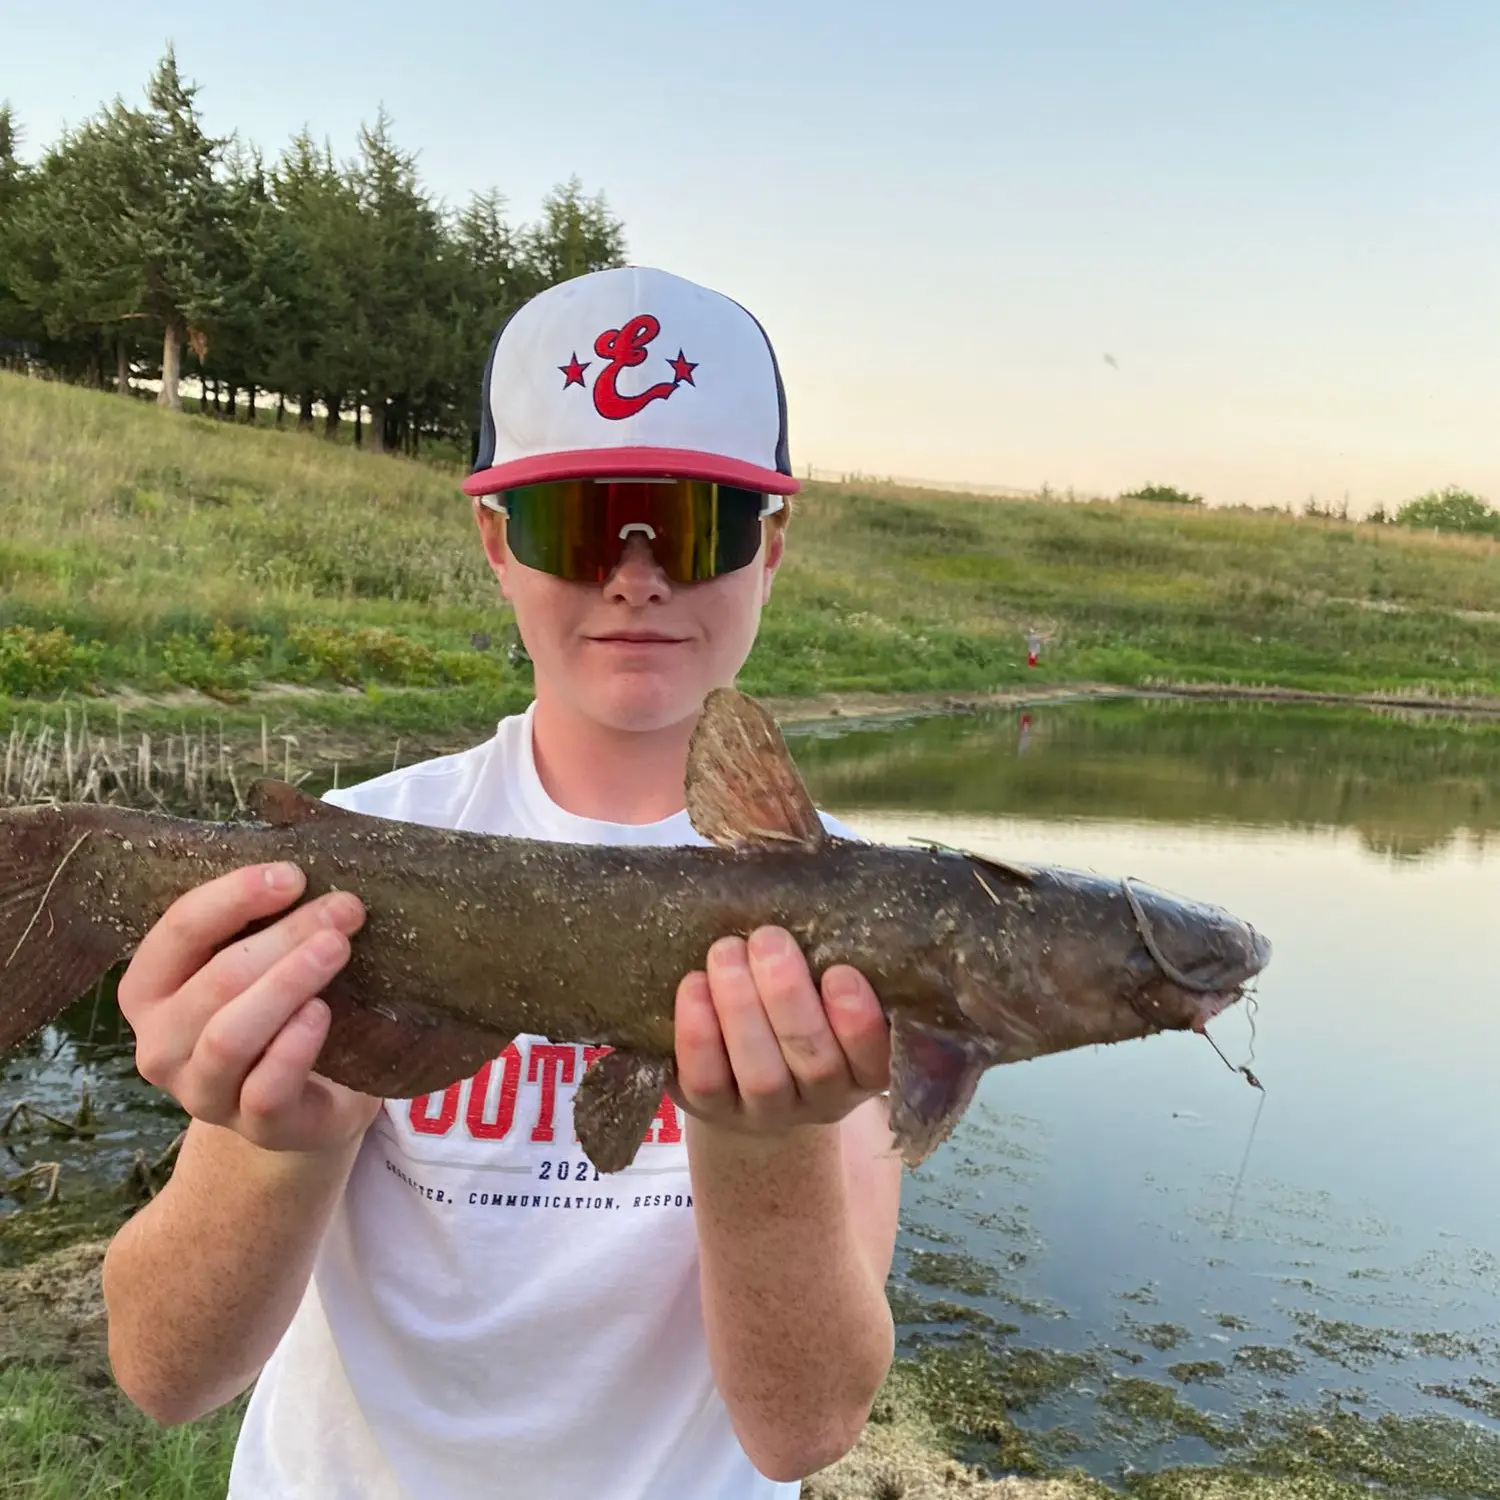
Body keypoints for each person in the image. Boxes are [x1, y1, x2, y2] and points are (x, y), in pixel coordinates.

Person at [101, 266, 903, 1500]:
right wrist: (282, 1148)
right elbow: (164, 1373)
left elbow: (800, 1431)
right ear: (496, 542)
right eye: (579, 525)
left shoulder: (857, 918)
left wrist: (764, 1148)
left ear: (770, 548)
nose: (636, 576)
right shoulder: (348, 867)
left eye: (694, 526)